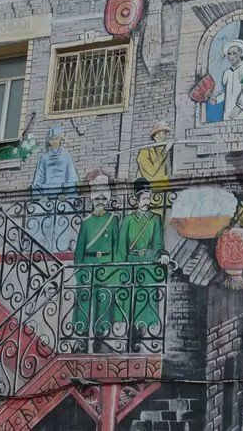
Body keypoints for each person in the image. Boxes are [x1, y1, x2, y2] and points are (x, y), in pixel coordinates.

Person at [117, 179, 170, 349]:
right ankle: (130, 335)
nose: (147, 201)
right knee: (130, 301)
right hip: (131, 265)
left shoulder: (155, 219)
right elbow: (121, 248)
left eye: (148, 198)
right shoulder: (128, 220)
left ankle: (141, 335)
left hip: (148, 266)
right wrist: (121, 270)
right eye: (144, 198)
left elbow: (158, 244)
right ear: (136, 199)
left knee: (146, 301)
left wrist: (163, 254)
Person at [73, 173, 118, 349]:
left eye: (103, 198)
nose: (100, 202)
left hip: (106, 266)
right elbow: (80, 248)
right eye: (97, 198)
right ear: (92, 200)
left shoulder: (113, 220)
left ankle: (101, 337)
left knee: (104, 301)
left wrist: (114, 269)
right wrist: (78, 270)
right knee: (83, 299)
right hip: (87, 265)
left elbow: (115, 246)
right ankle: (81, 335)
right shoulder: (85, 222)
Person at [27, 125, 80, 252]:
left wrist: (66, 195)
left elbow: (72, 179)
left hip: (62, 197)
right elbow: (38, 179)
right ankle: (39, 248)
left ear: (60, 139)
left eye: (56, 138)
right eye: (51, 139)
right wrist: (40, 195)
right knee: (38, 214)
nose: (54, 141)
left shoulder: (66, 156)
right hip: (46, 197)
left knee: (62, 218)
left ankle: (60, 248)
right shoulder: (43, 158)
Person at [210, 40, 243, 120]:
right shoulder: (227, 73)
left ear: (240, 53)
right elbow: (228, 92)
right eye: (229, 54)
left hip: (242, 114)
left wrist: (238, 108)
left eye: (234, 53)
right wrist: (217, 99)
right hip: (228, 114)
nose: (231, 56)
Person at [135, 123, 172, 189]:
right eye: (163, 133)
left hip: (163, 190)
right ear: (155, 136)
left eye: (165, 133)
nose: (165, 136)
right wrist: (165, 150)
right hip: (146, 190)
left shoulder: (165, 152)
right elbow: (151, 171)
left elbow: (168, 173)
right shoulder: (144, 151)